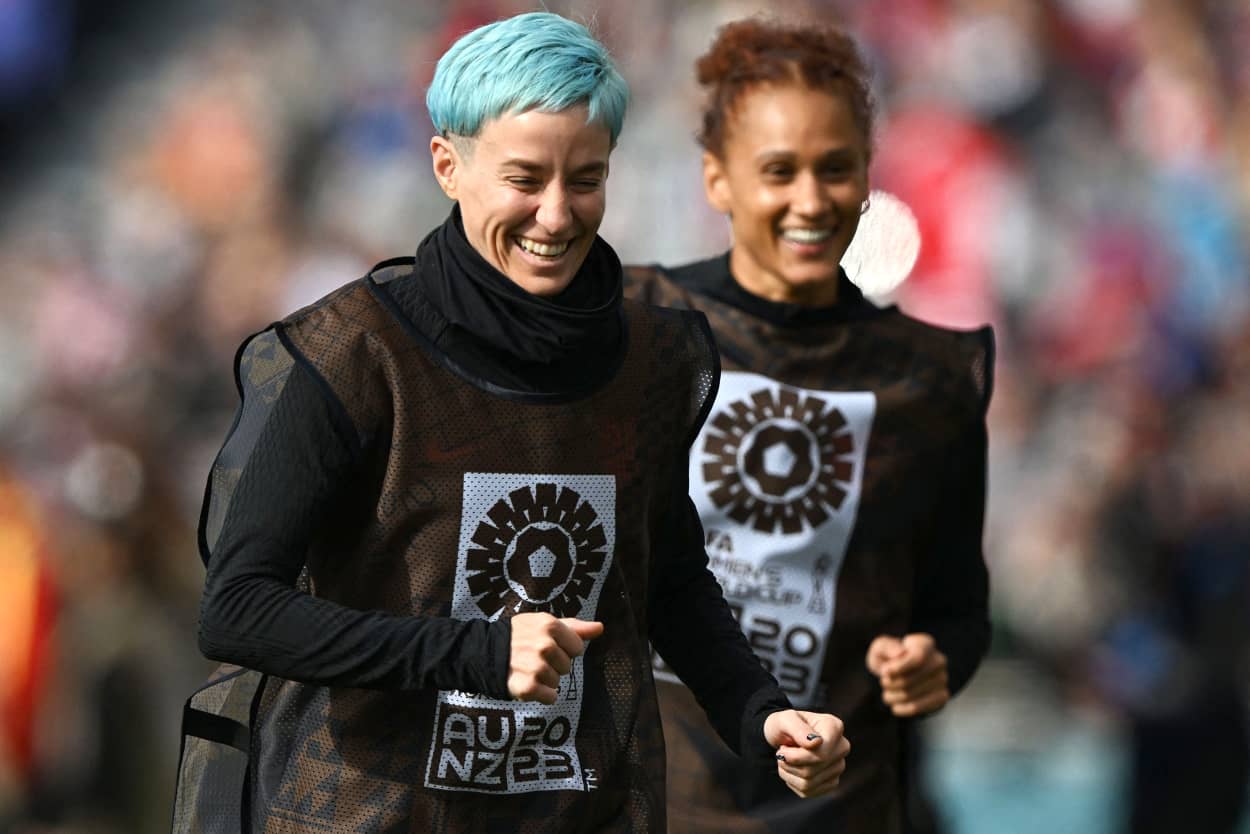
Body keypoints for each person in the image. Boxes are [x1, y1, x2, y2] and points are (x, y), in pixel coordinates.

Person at [168, 13, 850, 834]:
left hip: (577, 812)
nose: (556, 216)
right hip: (367, 815)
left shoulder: (655, 361)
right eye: (524, 179)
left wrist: (761, 712)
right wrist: (479, 653)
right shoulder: (356, 353)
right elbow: (238, 608)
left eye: (585, 179)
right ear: (447, 166)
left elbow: (665, 578)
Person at [625, 18, 993, 834]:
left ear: (867, 178)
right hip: (648, 803)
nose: (811, 199)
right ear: (717, 179)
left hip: (843, 811)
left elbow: (959, 608)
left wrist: (935, 661)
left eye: (836, 168)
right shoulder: (634, 324)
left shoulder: (929, 378)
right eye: (778, 170)